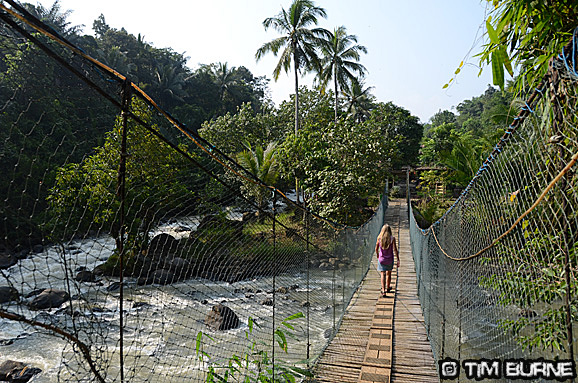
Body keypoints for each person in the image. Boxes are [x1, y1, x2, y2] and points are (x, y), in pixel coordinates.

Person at [375, 224, 400, 298]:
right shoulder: (392, 239)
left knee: (383, 274)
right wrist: (398, 259)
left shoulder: (379, 238)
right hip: (389, 259)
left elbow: (376, 249)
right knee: (389, 274)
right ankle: (388, 287)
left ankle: (383, 290)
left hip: (382, 259)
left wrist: (377, 255)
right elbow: (395, 250)